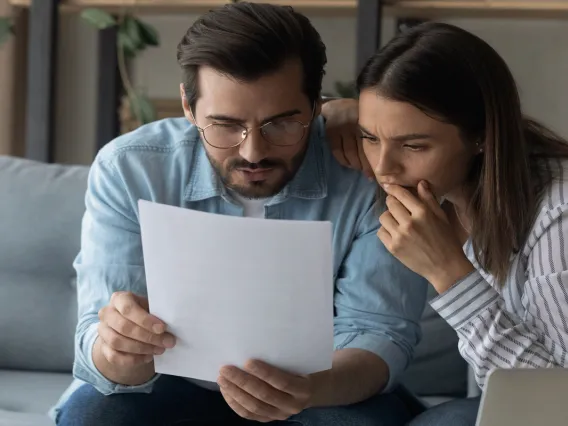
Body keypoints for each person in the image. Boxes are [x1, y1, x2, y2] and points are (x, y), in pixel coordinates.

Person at [52, 3, 428, 426]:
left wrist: (307, 391)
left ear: (316, 105)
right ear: (188, 107)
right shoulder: (130, 168)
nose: (253, 152)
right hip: (171, 387)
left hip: (322, 388)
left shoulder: (366, 169)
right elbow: (97, 332)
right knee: (94, 412)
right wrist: (118, 352)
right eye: (225, 125)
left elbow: (380, 331)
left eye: (281, 123)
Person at [348, 21, 568, 425]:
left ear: (481, 135)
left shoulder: (558, 215)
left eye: (414, 145)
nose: (383, 168)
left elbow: (554, 399)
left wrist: (449, 274)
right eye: (369, 138)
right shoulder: (448, 196)